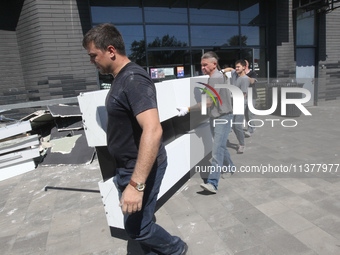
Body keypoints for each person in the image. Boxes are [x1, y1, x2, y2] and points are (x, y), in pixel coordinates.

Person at [83, 23, 188, 255]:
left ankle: (176, 248)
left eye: (93, 56)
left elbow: (153, 130)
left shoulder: (133, 79)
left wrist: (136, 185)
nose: (92, 61)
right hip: (127, 167)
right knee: (140, 221)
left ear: (111, 50)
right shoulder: (120, 78)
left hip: (138, 170)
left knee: (137, 228)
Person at [177, 51, 234, 194]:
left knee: (216, 150)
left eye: (205, 65)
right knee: (220, 146)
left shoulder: (215, 78)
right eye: (201, 65)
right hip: (218, 116)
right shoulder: (218, 75)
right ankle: (230, 167)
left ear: (214, 64)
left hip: (222, 117)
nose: (202, 67)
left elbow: (208, 103)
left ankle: (212, 183)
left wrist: (188, 109)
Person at [223, 60, 250, 154]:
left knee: (237, 125)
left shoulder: (244, 79)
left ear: (244, 67)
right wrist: (222, 72)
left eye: (238, 67)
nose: (236, 68)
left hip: (240, 103)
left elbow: (243, 95)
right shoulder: (235, 72)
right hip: (233, 102)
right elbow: (230, 69)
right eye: (236, 66)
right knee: (232, 125)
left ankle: (242, 144)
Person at [244, 60, 258, 137]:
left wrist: (243, 75)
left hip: (252, 96)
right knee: (246, 113)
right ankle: (253, 126)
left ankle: (250, 130)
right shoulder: (239, 74)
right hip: (244, 96)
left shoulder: (252, 73)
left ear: (247, 65)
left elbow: (252, 81)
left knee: (250, 113)